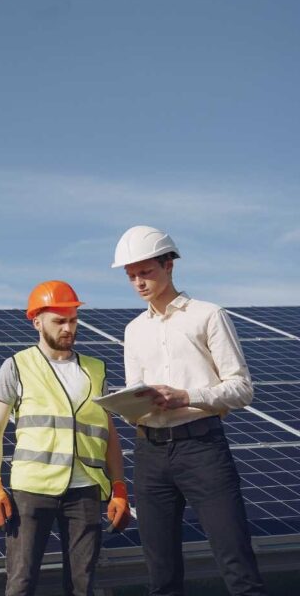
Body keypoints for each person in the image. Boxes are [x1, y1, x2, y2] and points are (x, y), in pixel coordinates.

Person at [112, 225, 266, 596]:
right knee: (161, 573)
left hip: (203, 450)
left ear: (169, 265)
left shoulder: (208, 315)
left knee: (236, 563)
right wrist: (130, 407)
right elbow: (136, 396)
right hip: (149, 455)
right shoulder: (133, 331)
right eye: (131, 276)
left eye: (146, 272)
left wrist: (186, 396)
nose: (139, 283)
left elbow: (242, 389)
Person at [0, 280, 129, 596]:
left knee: (82, 585)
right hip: (31, 489)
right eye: (59, 321)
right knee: (21, 583)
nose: (68, 328)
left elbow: (109, 433)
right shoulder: (17, 366)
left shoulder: (96, 370)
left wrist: (119, 486)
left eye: (73, 320)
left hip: (86, 491)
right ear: (37, 322)